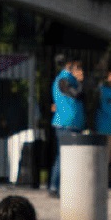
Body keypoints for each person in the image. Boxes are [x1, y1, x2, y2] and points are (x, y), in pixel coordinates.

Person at [48, 59, 87, 188]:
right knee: (64, 156)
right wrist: (80, 83)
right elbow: (76, 95)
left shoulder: (70, 80)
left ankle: (62, 186)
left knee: (70, 157)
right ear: (70, 67)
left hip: (73, 123)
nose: (81, 72)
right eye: (78, 68)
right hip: (66, 124)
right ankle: (55, 186)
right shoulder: (63, 80)